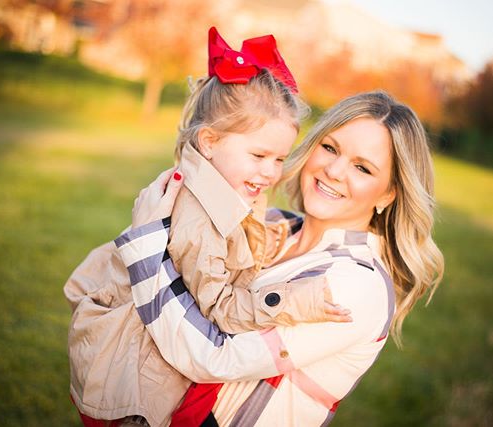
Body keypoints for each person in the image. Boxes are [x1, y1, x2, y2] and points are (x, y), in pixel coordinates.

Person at [64, 27, 350, 427]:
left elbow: (239, 248)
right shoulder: (200, 220)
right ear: (210, 141)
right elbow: (220, 309)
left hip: (154, 362)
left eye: (279, 159)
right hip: (140, 384)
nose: (269, 172)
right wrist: (296, 301)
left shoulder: (227, 185)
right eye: (259, 155)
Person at [116, 91, 445, 426]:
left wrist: (146, 250)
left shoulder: (357, 285)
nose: (333, 170)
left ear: (389, 193)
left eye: (362, 168)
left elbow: (216, 358)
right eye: (330, 148)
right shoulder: (272, 224)